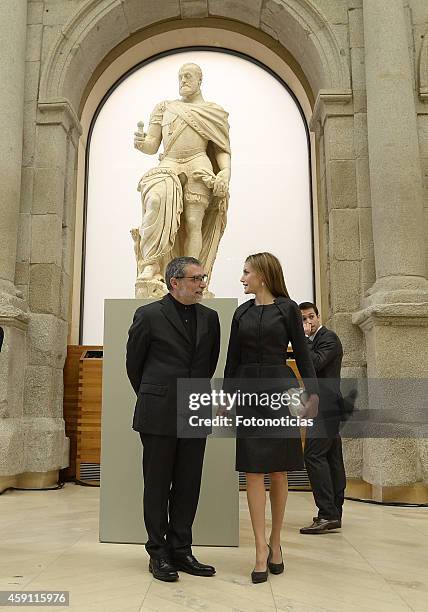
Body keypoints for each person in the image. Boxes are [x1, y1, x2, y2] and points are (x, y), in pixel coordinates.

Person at [224, 252, 319, 583]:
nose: (242, 278)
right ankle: (260, 549)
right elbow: (232, 360)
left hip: (281, 391)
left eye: (246, 272)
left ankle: (276, 542)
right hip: (248, 393)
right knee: (252, 471)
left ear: (262, 276)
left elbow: (303, 356)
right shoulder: (240, 313)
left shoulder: (288, 309)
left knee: (279, 471)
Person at [126, 256, 220, 582]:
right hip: (159, 411)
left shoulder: (211, 318)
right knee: (157, 484)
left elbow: (208, 364)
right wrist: (157, 394)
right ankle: (158, 553)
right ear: (174, 282)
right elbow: (133, 366)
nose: (201, 284)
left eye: (203, 278)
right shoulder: (148, 315)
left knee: (188, 483)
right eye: (195, 279)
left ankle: (181, 550)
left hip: (194, 407)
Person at [133, 62, 231, 287]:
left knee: (193, 221)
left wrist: (225, 173)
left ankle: (191, 277)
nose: (183, 80)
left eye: (188, 76)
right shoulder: (164, 108)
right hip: (169, 163)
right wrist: (141, 143)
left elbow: (222, 150)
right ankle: (151, 265)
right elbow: (152, 144)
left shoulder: (213, 112)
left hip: (198, 163)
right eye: (180, 77)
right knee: (156, 201)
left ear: (200, 80)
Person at [299, 301, 346, 534]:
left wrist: (303, 338)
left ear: (318, 317)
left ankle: (328, 513)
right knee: (331, 456)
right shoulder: (316, 340)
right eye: (303, 319)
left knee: (313, 455)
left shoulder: (328, 338)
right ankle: (333, 512)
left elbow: (315, 363)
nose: (308, 322)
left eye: (311, 317)